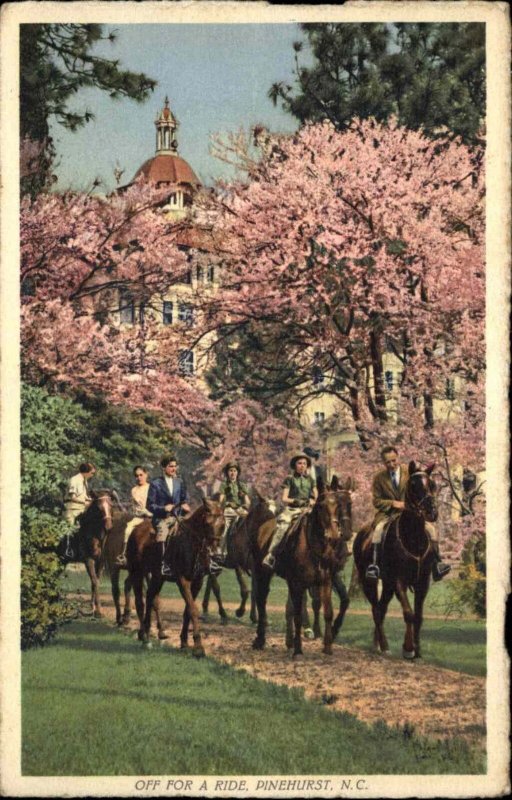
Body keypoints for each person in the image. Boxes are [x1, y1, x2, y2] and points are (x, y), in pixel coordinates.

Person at [365, 446, 451, 582]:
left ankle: (437, 563)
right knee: (378, 530)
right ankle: (375, 566)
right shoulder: (379, 478)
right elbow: (376, 501)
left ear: (398, 458)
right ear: (383, 463)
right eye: (388, 462)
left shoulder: (410, 473)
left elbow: (422, 488)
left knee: (431, 529)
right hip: (388, 514)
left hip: (411, 513)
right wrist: (393, 503)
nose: (392, 464)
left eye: (394, 460)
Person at [262, 453, 318, 571]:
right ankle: (271, 555)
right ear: (295, 465)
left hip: (307, 509)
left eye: (304, 464)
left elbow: (316, 496)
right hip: (292, 509)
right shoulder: (290, 479)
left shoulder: (311, 480)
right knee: (283, 526)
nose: (302, 466)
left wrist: (313, 501)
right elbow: (284, 498)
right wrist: (296, 501)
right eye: (299, 463)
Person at [146, 455, 191, 577]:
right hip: (162, 518)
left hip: (177, 517)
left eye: (175, 466)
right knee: (163, 533)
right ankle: (163, 565)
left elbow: (184, 498)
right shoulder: (156, 483)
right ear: (163, 468)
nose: (174, 469)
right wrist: (163, 508)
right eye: (171, 466)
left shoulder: (180, 481)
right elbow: (149, 505)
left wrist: (185, 505)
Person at [116, 466, 152, 567]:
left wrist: (149, 511)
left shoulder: (151, 488)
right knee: (127, 529)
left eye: (141, 475)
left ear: (146, 475)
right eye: (136, 476)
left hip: (151, 516)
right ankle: (124, 554)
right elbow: (134, 506)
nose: (139, 478)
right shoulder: (134, 490)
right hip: (139, 518)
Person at [217, 462, 250, 561]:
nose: (232, 473)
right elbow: (220, 502)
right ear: (227, 473)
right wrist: (228, 503)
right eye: (230, 471)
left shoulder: (242, 485)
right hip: (229, 510)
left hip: (240, 510)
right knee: (225, 529)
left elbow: (248, 502)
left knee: (249, 523)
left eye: (235, 471)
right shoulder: (224, 485)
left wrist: (244, 500)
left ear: (237, 473)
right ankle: (221, 552)